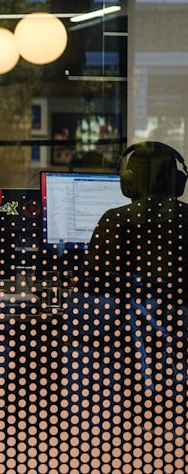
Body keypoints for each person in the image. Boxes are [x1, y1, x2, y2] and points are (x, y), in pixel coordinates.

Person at [82, 141, 188, 396]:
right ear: (177, 182)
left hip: (123, 352)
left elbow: (92, 286)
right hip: (177, 340)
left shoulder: (113, 220)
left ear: (127, 183)